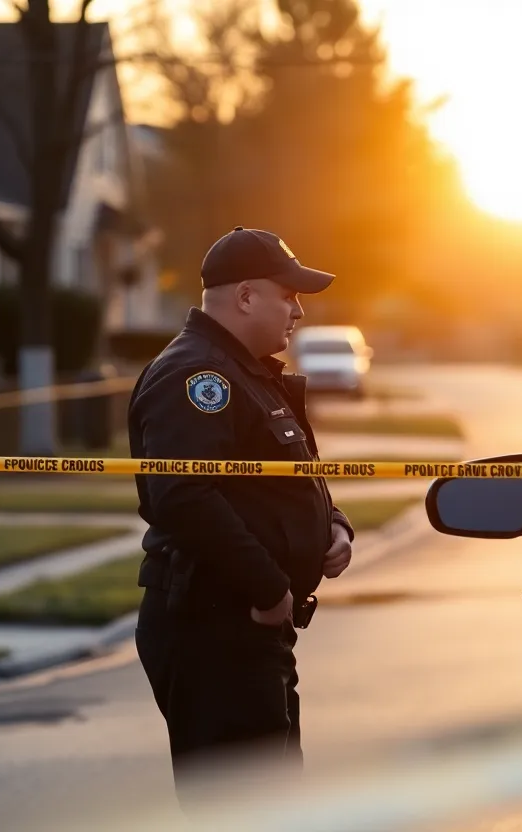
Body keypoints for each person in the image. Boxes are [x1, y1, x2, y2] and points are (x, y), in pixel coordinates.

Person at [127, 226, 355, 808]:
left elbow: (289, 478)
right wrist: (267, 585)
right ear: (246, 297)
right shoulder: (199, 377)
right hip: (215, 629)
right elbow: (184, 495)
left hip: (248, 631)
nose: (298, 311)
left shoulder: (248, 374)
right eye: (289, 295)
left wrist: (332, 525)